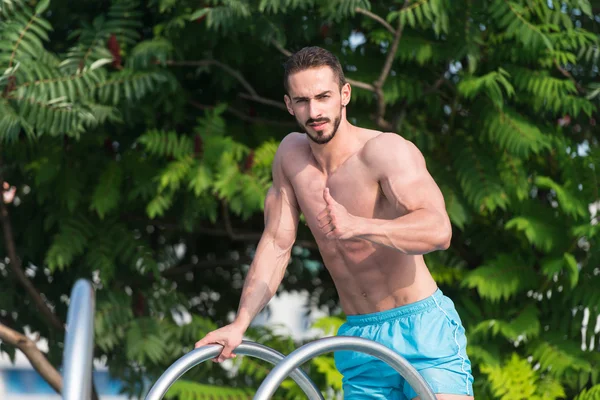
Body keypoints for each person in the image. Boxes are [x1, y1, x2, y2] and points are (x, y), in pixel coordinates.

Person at [195, 46, 474, 400]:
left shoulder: (384, 151)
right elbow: (277, 244)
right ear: (288, 104)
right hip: (360, 337)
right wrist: (240, 323)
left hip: (420, 326)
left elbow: (439, 231)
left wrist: (360, 226)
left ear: (344, 95)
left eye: (323, 97)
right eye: (302, 101)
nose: (314, 111)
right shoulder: (290, 158)